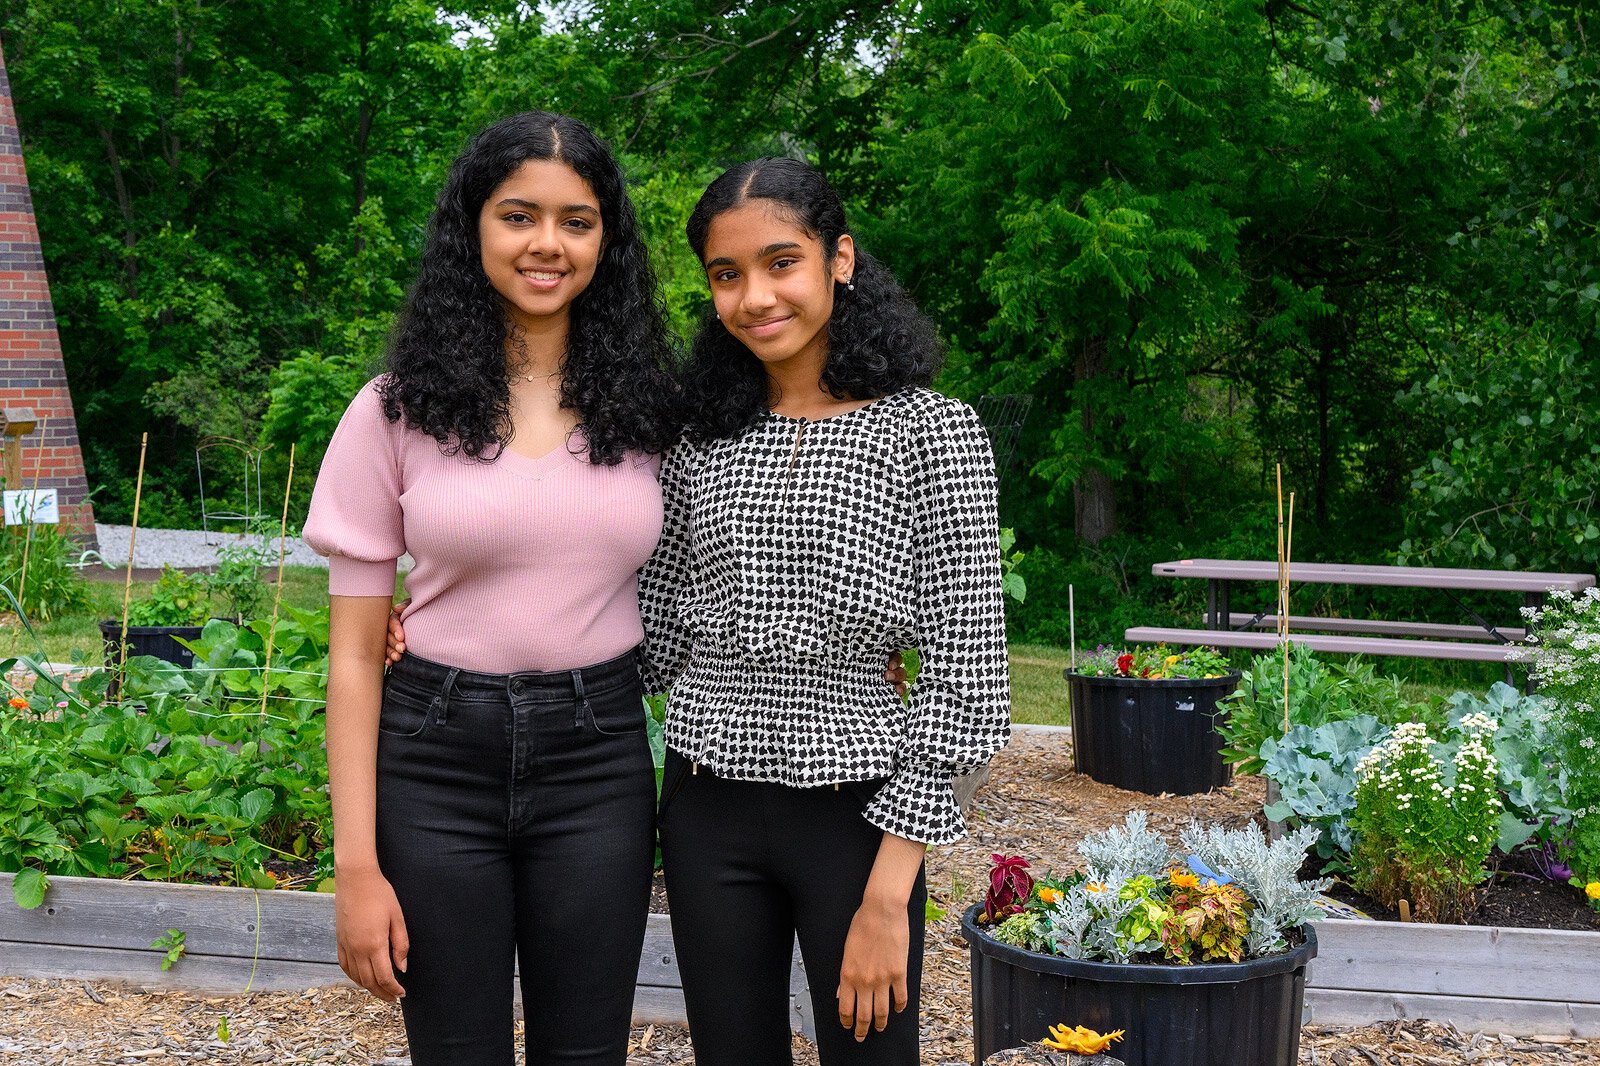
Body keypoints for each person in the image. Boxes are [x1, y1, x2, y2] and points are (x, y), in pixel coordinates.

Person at [302, 110, 679, 1066]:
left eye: (578, 220)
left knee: (587, 1054)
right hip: (433, 765)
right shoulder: (393, 412)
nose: (547, 243)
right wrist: (356, 870)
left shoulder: (653, 412)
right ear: (472, 227)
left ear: (608, 240)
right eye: (519, 215)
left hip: (598, 766)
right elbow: (352, 657)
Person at [640, 157, 1011, 1065]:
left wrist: (891, 891)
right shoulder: (699, 440)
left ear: (838, 259)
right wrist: (448, 627)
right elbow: (644, 632)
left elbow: (969, 678)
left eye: (780, 263)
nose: (755, 296)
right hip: (705, 804)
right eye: (726, 276)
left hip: (857, 819)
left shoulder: (930, 431)